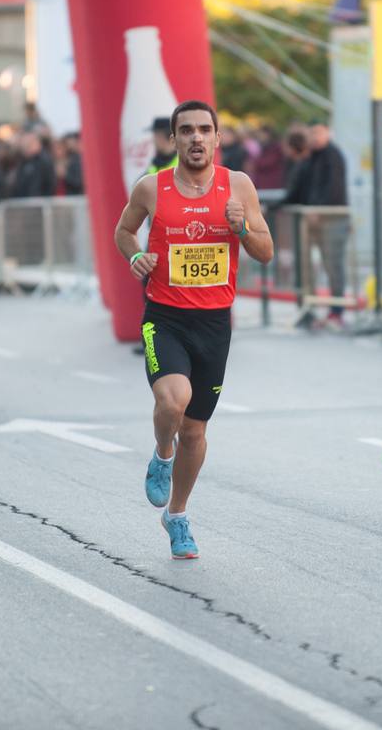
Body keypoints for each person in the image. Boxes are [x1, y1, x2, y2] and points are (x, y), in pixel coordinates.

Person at [114, 100, 273, 559]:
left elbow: (265, 252)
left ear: (218, 139)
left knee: (197, 431)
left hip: (214, 324)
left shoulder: (238, 186)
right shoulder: (152, 188)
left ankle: (177, 516)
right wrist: (134, 256)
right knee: (173, 399)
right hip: (164, 317)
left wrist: (242, 230)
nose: (197, 138)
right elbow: (124, 231)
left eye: (205, 129)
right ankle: (162, 454)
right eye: (187, 131)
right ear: (174, 140)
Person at [283, 121, 350, 330]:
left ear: (328, 133)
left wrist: (317, 209)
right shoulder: (308, 158)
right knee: (305, 267)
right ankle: (308, 310)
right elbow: (298, 188)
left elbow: (334, 188)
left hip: (332, 219)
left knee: (333, 265)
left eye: (319, 132)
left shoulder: (333, 156)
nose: (315, 137)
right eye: (311, 133)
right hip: (309, 219)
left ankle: (336, 311)